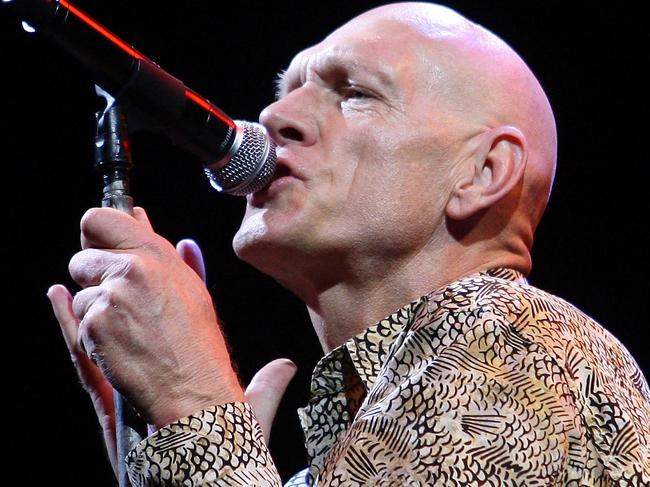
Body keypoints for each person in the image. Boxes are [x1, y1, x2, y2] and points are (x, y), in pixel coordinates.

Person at [47, 2, 650, 486]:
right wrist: (167, 457)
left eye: (355, 92)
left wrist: (191, 402)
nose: (274, 115)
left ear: (483, 174)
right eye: (287, 88)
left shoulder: (518, 341)